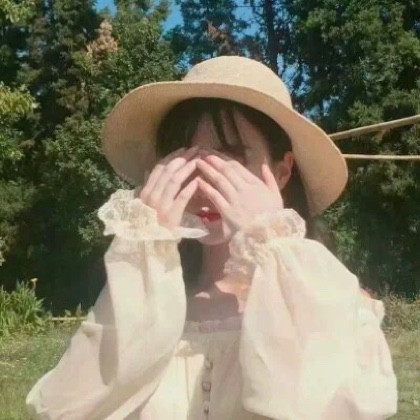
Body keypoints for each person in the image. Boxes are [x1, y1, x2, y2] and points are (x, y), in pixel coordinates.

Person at [26, 56, 397, 419]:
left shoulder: (331, 301)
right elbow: (71, 408)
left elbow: (333, 405)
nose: (204, 182)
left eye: (231, 157)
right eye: (185, 158)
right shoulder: (140, 297)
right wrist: (145, 248)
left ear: (282, 173)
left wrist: (272, 240)